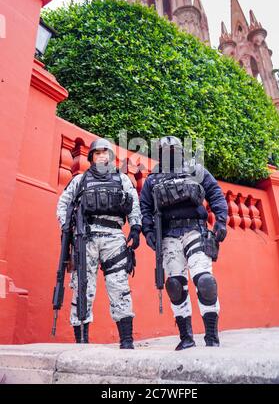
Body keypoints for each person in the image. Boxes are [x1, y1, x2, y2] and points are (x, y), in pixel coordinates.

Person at [140, 136, 228, 350]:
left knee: (205, 281)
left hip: (195, 230)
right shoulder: (153, 179)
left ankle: (211, 337)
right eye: (165, 150)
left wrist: (221, 220)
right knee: (175, 286)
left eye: (174, 149)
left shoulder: (196, 170)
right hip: (169, 236)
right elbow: (145, 208)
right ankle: (186, 337)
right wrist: (148, 231)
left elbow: (215, 193)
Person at [56, 138, 142, 348]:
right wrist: (68, 228)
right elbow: (63, 205)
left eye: (106, 152)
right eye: (98, 153)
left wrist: (136, 227)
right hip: (86, 238)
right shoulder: (80, 180)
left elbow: (134, 204)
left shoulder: (122, 179)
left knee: (119, 287)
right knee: (82, 288)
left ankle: (127, 341)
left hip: (114, 238)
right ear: (92, 157)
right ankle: (82, 341)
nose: (102, 156)